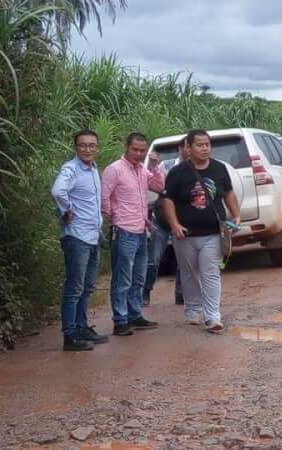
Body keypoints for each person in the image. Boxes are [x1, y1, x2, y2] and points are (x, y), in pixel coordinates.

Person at [162, 129, 241, 333]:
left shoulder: (219, 169)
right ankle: (193, 309)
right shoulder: (177, 173)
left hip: (213, 233)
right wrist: (175, 225)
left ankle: (213, 316)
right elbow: (168, 200)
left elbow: (229, 193)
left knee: (210, 273)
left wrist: (236, 215)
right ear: (188, 147)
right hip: (185, 235)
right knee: (189, 274)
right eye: (200, 144)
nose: (205, 148)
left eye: (207, 144)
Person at [50, 130, 109, 351]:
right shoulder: (71, 169)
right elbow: (58, 191)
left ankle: (82, 327)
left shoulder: (93, 169)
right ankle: (70, 335)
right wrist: (66, 210)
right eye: (83, 145)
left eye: (91, 145)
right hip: (76, 236)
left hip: (92, 236)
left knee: (87, 286)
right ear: (76, 147)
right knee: (74, 287)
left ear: (97, 147)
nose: (87, 149)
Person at [101, 133, 163, 336]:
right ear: (126, 146)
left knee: (138, 277)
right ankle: (120, 319)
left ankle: (135, 314)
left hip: (140, 230)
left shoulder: (142, 170)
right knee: (122, 278)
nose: (138, 153)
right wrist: (115, 218)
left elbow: (159, 187)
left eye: (142, 150)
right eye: (135, 149)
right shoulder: (114, 169)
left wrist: (154, 168)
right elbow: (104, 198)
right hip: (124, 230)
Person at [143, 137, 188, 306]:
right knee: (153, 260)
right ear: (181, 148)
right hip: (161, 220)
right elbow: (152, 184)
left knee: (183, 260)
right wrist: (152, 167)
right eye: (188, 147)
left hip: (182, 221)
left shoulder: (195, 170)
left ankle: (181, 293)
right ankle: (145, 292)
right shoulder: (165, 166)